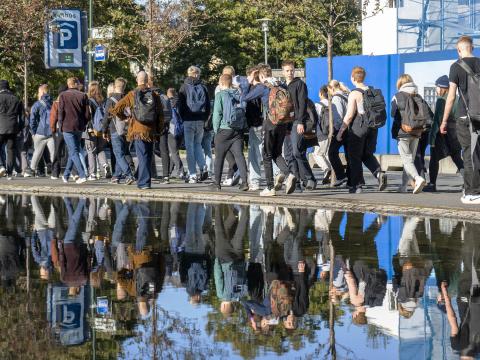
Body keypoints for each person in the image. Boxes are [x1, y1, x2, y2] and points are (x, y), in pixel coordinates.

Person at [440, 35, 480, 204]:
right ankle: (471, 189)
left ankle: (472, 193)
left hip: (465, 116)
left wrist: (444, 120)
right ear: (472, 47)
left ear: (459, 49)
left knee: (469, 154)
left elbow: (451, 97)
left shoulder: (456, 67)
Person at [336, 66, 387, 193]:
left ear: (353, 78)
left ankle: (357, 186)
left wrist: (341, 132)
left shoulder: (354, 93)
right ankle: (379, 174)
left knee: (354, 156)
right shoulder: (371, 91)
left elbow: (348, 116)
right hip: (373, 127)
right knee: (367, 154)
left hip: (359, 127)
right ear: (363, 77)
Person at [110, 71, 164, 190]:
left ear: (137, 80)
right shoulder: (154, 95)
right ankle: (146, 181)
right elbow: (160, 114)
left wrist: (126, 118)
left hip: (138, 130)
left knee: (143, 156)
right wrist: (159, 130)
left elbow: (116, 109)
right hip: (151, 131)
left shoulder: (132, 94)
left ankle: (144, 183)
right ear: (147, 80)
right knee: (148, 156)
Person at [256, 64, 296, 196]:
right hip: (283, 124)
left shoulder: (263, 87)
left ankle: (269, 187)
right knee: (277, 153)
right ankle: (289, 174)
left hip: (270, 123)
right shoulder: (281, 85)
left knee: (266, 155)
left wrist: (251, 82)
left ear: (262, 76)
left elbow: (245, 97)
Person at [209, 74, 248, 191]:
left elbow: (217, 114)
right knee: (239, 156)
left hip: (224, 130)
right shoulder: (238, 93)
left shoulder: (220, 95)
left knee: (219, 157)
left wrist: (216, 130)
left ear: (221, 83)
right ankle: (245, 182)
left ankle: (217, 183)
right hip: (237, 130)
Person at [282, 60, 317, 191]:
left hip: (297, 121)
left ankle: (310, 178)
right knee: (288, 154)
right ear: (283, 71)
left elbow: (302, 104)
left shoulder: (300, 84)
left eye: (291, 70)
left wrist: (300, 121)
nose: (290, 72)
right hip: (285, 124)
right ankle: (295, 181)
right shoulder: (282, 86)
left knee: (297, 151)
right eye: (287, 70)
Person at [425, 75, 464, 192]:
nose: (436, 89)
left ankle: (432, 184)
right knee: (457, 158)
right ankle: (469, 183)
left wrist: (431, 139)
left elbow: (437, 120)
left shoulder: (441, 100)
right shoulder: (457, 98)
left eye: (437, 87)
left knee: (433, 159)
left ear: (442, 88)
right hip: (456, 135)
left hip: (443, 135)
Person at [391, 74, 429, 194]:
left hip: (403, 132)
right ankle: (403, 186)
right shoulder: (418, 95)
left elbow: (393, 113)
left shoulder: (397, 96)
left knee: (407, 160)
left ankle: (418, 179)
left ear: (400, 83)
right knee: (409, 160)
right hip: (417, 131)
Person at [178, 66, 210, 184]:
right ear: (198, 74)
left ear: (188, 73)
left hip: (188, 120)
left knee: (189, 148)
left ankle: (192, 174)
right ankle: (203, 166)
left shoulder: (183, 87)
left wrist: (183, 118)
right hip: (200, 120)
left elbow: (180, 106)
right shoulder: (203, 87)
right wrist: (205, 119)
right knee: (197, 145)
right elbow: (208, 106)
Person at [102, 77, 135, 185]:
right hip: (127, 130)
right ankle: (116, 176)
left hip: (115, 129)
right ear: (124, 87)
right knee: (122, 152)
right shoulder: (128, 99)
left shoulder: (111, 100)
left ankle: (129, 175)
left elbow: (107, 116)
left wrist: (104, 130)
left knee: (118, 154)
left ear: (115, 87)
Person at [57, 77, 90, 184]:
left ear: (69, 84)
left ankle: (82, 175)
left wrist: (60, 125)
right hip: (79, 127)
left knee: (73, 151)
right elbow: (87, 114)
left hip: (67, 127)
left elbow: (60, 113)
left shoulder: (63, 95)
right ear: (75, 83)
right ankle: (66, 175)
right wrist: (84, 124)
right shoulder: (83, 95)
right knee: (73, 151)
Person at [24, 84, 54, 177]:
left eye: (38, 92)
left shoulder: (37, 104)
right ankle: (55, 171)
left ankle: (31, 170)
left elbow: (32, 120)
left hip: (40, 132)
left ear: (42, 92)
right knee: (53, 153)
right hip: (51, 132)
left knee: (37, 152)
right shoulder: (54, 103)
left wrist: (33, 132)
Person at [326, 80, 350, 186]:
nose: (329, 93)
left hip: (341, 129)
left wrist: (337, 131)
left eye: (329, 91)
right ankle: (352, 179)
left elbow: (339, 116)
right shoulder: (346, 95)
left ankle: (341, 176)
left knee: (331, 153)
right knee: (349, 155)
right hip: (350, 129)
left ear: (331, 88)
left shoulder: (336, 98)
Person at [85, 81, 110, 180]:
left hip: (91, 129)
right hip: (101, 129)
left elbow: (87, 116)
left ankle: (92, 174)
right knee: (100, 149)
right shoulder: (103, 101)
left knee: (91, 151)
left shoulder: (88, 101)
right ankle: (105, 165)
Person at [0, 80, 23, 180]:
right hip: (13, 127)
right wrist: (19, 128)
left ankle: (1, 166)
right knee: (11, 150)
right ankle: (9, 173)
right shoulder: (16, 98)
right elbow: (22, 118)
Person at [313, 85, 333, 184]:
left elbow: (313, 119)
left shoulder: (318, 105)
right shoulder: (332, 104)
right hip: (332, 132)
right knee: (328, 154)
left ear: (321, 94)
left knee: (317, 154)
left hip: (321, 133)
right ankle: (331, 174)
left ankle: (326, 169)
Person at [50, 85, 68, 180]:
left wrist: (53, 129)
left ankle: (55, 172)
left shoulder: (56, 103)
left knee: (57, 151)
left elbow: (53, 118)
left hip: (58, 129)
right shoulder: (69, 102)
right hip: (69, 129)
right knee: (70, 151)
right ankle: (72, 172)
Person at [166, 88, 185, 179]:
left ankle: (181, 171)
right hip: (181, 129)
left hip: (172, 129)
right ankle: (169, 171)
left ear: (168, 94)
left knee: (173, 152)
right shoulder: (181, 102)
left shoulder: (167, 103)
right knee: (175, 151)